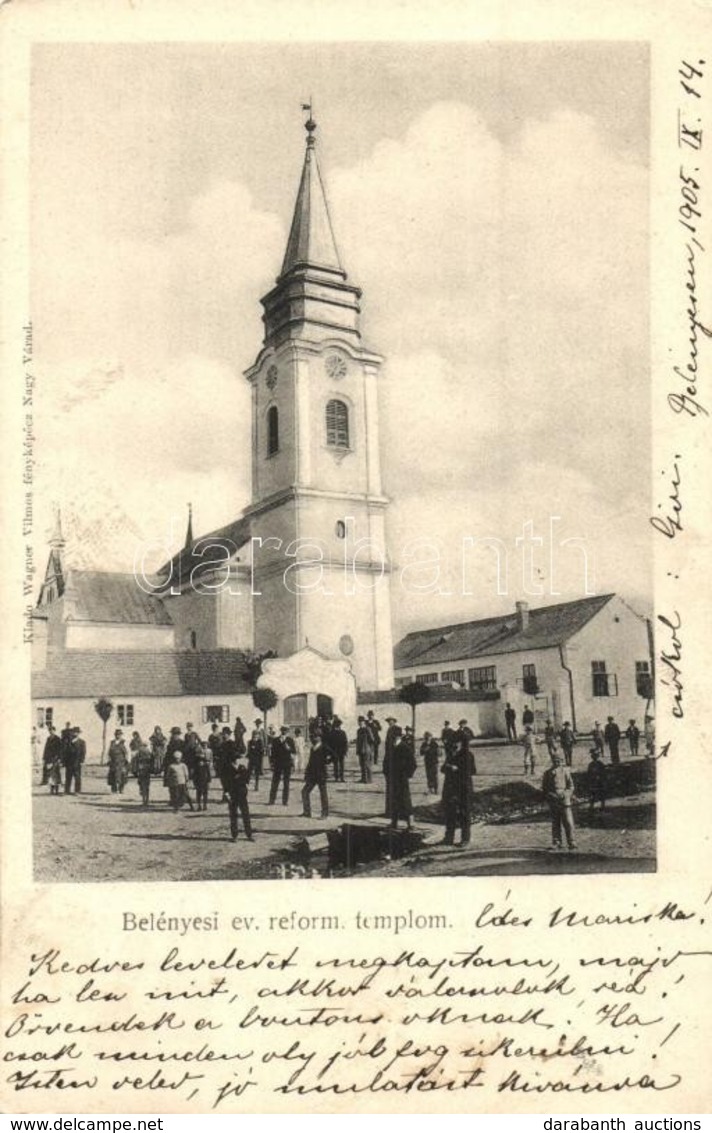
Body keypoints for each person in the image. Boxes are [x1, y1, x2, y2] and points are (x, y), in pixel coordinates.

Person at [442, 737, 475, 846]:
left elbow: (472, 771)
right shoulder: (451, 754)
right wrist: (450, 767)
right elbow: (442, 768)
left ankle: (465, 839)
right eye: (454, 742)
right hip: (450, 789)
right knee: (449, 813)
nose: (455, 744)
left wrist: (457, 769)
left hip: (463, 788)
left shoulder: (467, 755)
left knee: (464, 814)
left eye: (458, 742)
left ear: (462, 743)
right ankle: (448, 838)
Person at [541, 752, 577, 851]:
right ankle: (557, 842)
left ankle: (572, 841)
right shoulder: (547, 773)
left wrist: (566, 794)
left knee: (568, 822)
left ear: (562, 761)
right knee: (555, 822)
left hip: (565, 800)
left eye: (559, 761)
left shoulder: (566, 771)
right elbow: (545, 788)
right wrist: (550, 794)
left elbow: (571, 786)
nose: (557, 763)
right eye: (555, 761)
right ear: (552, 761)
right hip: (553, 800)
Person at [383, 726, 416, 830]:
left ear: (397, 737)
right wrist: (386, 774)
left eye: (392, 736)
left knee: (405, 801)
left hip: (402, 779)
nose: (390, 738)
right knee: (393, 801)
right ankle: (394, 822)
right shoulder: (390, 748)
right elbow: (385, 762)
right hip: (392, 779)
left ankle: (411, 823)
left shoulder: (405, 747)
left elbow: (413, 764)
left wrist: (407, 775)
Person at [224, 747, 253, 842]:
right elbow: (226, 782)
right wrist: (226, 793)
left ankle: (249, 834)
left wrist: (240, 776)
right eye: (235, 759)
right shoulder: (228, 768)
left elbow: (247, 778)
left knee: (246, 814)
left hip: (242, 793)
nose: (236, 761)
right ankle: (234, 835)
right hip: (233, 794)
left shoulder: (242, 767)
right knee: (233, 815)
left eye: (237, 759)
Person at [302, 731, 331, 818]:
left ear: (319, 737)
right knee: (304, 792)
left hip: (321, 774)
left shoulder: (324, 747)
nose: (312, 738)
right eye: (311, 736)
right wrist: (307, 773)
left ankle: (325, 813)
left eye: (314, 736)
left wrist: (326, 761)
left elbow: (334, 756)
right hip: (312, 775)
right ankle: (307, 812)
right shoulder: (312, 748)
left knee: (323, 794)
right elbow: (310, 762)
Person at [269, 726, 295, 805]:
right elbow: (272, 752)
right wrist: (272, 763)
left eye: (286, 731)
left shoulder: (290, 740)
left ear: (288, 732)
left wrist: (289, 748)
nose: (284, 732)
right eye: (283, 730)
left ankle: (285, 801)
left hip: (287, 763)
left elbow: (294, 751)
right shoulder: (276, 740)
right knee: (275, 782)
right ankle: (272, 800)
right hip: (278, 763)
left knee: (286, 783)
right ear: (281, 731)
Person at [64, 727, 86, 794]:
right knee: (68, 776)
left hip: (77, 762)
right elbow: (65, 751)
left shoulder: (82, 742)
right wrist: (64, 761)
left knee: (77, 777)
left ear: (79, 733)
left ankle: (77, 790)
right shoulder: (68, 741)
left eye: (77, 732)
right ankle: (67, 790)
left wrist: (82, 761)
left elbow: (83, 752)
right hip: (69, 762)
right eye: (74, 732)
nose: (75, 734)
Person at [107, 730, 129, 794]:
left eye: (119, 735)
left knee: (122, 775)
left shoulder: (124, 742)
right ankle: (114, 789)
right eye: (117, 735)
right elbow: (109, 752)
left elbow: (127, 752)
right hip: (113, 761)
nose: (118, 736)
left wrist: (127, 761)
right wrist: (109, 759)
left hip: (121, 761)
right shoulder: (112, 742)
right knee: (113, 775)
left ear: (121, 735)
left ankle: (121, 789)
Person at [586, 747, 607, 812]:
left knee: (601, 794)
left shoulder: (600, 764)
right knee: (592, 794)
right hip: (593, 781)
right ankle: (591, 806)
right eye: (593, 756)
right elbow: (589, 774)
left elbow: (604, 773)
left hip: (600, 781)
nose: (594, 757)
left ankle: (602, 806)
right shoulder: (590, 765)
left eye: (596, 756)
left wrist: (601, 778)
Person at [247, 721, 266, 791]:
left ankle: (256, 785)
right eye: (254, 735)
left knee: (257, 772)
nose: (255, 736)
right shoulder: (250, 742)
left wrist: (264, 748)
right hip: (252, 759)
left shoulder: (260, 740)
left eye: (256, 735)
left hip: (258, 758)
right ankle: (247, 783)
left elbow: (261, 749)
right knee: (249, 771)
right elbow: (249, 751)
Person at [329, 717, 348, 783]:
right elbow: (345, 743)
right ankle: (339, 777)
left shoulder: (333, 733)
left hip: (338, 751)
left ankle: (339, 777)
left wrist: (345, 750)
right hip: (337, 751)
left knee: (338, 765)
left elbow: (345, 742)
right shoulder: (341, 732)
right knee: (338, 765)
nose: (338, 727)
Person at [356, 716, 374, 783]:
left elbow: (372, 739)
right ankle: (363, 778)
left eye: (361, 722)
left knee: (367, 765)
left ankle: (369, 779)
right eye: (359, 722)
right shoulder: (358, 730)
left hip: (366, 750)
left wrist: (368, 748)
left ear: (364, 722)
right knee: (362, 765)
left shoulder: (367, 729)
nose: (360, 723)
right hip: (360, 750)